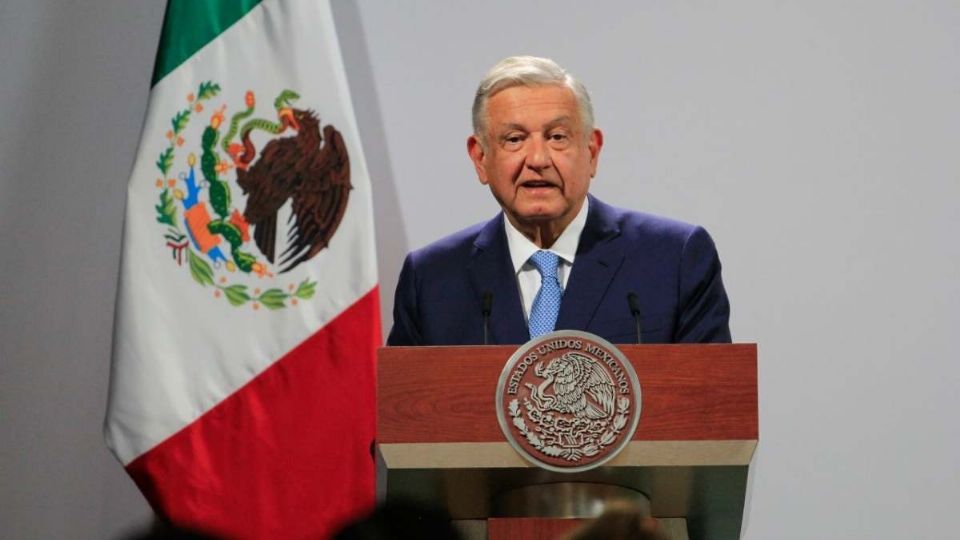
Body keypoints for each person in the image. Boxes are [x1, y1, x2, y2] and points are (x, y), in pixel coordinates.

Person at [387, 56, 730, 346]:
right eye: (514, 139)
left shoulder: (673, 259)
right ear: (481, 159)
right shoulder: (431, 280)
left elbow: (714, 413)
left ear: (592, 151)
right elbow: (401, 421)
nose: (538, 158)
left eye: (557, 137)